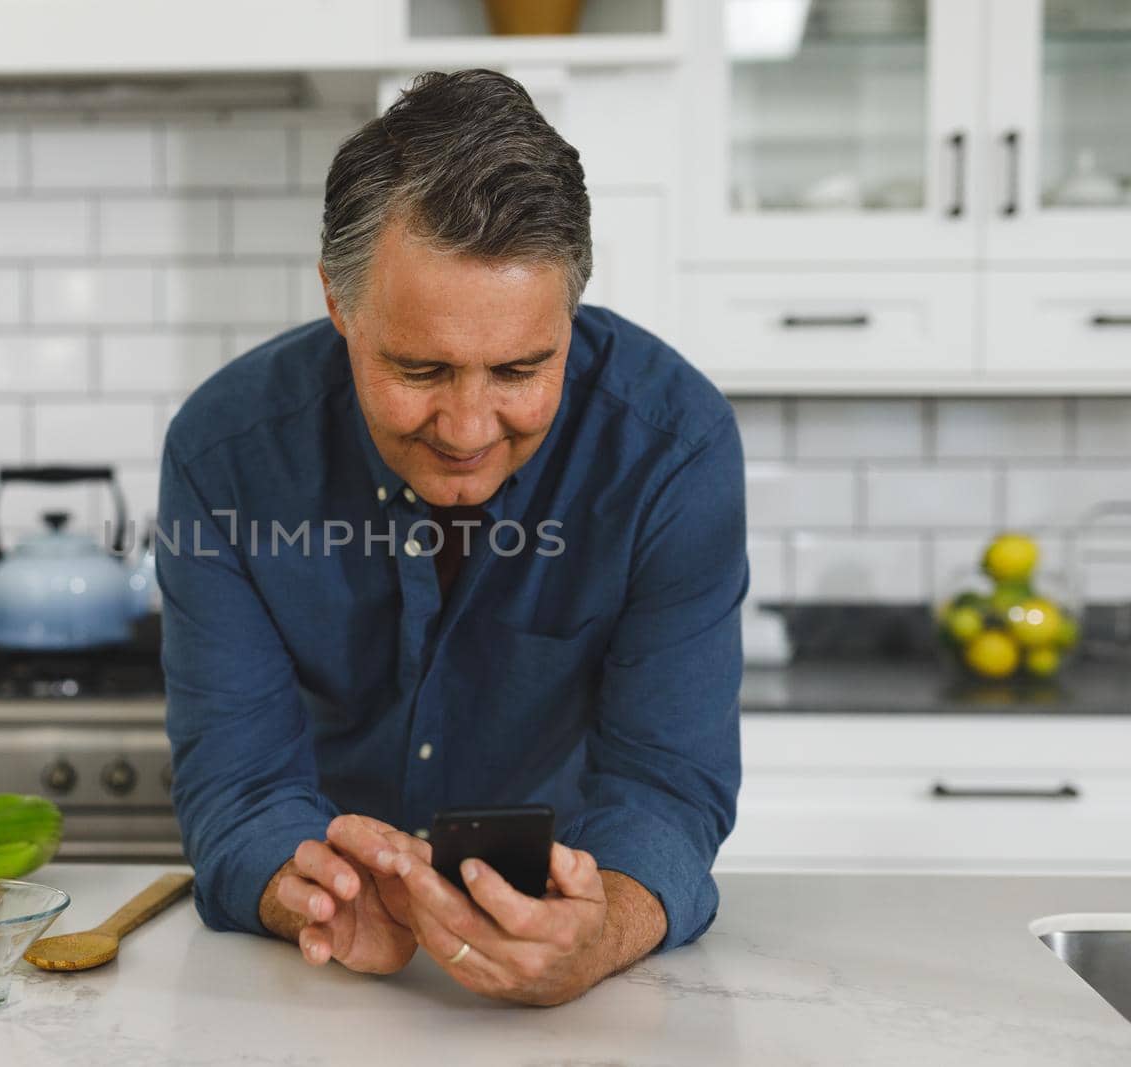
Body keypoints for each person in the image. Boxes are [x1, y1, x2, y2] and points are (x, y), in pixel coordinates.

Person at [156, 69, 745, 1007]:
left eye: (520, 368)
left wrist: (600, 932)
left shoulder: (673, 449)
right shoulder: (223, 455)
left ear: (569, 315)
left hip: (578, 975)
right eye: (420, 368)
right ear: (340, 304)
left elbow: (666, 785)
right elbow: (242, 790)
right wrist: (306, 889)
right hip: (320, 987)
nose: (469, 429)